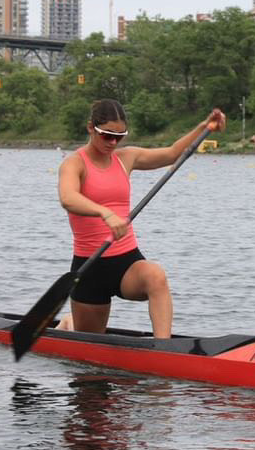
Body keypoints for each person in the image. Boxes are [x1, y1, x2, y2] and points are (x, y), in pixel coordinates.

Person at [55, 99, 225, 338]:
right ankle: (69, 324)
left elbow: (173, 153)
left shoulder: (126, 158)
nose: (113, 142)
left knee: (155, 276)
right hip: (89, 267)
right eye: (107, 136)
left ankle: (164, 351)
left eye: (120, 136)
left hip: (126, 262)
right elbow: (68, 197)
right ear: (91, 128)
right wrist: (105, 212)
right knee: (89, 355)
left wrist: (204, 126)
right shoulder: (74, 164)